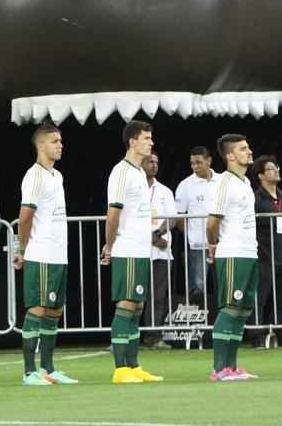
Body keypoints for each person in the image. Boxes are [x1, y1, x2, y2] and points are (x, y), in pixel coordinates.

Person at [16, 123, 78, 385]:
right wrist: (22, 249)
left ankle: (48, 369)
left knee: (54, 311)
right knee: (38, 308)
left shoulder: (57, 176)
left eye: (60, 141)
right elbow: (25, 217)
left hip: (58, 254)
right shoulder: (34, 176)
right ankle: (29, 372)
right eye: (55, 141)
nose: (60, 145)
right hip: (40, 252)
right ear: (41, 145)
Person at [101, 121, 163, 384]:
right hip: (126, 248)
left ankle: (134, 366)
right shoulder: (121, 172)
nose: (151, 142)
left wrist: (151, 220)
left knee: (137, 306)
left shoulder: (139, 172)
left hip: (141, 248)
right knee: (126, 304)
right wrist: (110, 245)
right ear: (132, 141)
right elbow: (113, 214)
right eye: (146, 138)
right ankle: (120, 369)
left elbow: (138, 209)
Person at [206, 133, 259, 382]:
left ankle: (232, 366)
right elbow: (212, 222)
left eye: (248, 147)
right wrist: (213, 244)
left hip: (249, 252)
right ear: (230, 156)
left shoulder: (245, 182)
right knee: (229, 307)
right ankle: (219, 369)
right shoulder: (223, 183)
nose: (249, 152)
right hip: (233, 253)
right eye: (243, 149)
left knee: (243, 310)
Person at [253, 155, 282, 347]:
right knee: (260, 297)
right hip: (264, 255)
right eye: (271, 168)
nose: (276, 170)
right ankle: (256, 335)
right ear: (261, 175)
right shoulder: (255, 198)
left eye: (277, 167)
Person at [173, 146, 215, 303]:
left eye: (198, 162)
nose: (195, 166)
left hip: (224, 243)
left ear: (209, 161)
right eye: (192, 163)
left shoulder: (222, 181)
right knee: (197, 286)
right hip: (199, 245)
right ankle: (199, 318)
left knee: (226, 284)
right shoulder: (185, 185)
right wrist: (190, 235)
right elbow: (178, 217)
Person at [143, 152, 176, 348]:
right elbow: (128, 219)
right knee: (134, 296)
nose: (154, 165)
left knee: (158, 296)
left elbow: (172, 219)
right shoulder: (134, 189)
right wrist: (151, 238)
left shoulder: (165, 191)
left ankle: (154, 337)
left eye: (156, 162)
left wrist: (157, 234)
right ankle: (127, 337)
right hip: (138, 251)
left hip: (162, 252)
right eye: (150, 161)